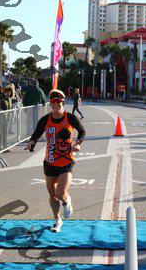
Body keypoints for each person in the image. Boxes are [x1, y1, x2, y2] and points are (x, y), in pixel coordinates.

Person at [26, 89, 86, 233]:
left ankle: (66, 200)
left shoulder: (70, 118)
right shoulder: (45, 119)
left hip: (66, 162)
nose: (55, 104)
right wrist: (32, 142)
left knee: (60, 194)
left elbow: (82, 131)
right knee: (52, 195)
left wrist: (78, 143)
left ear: (62, 102)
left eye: (58, 101)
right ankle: (57, 219)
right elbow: (36, 134)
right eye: (52, 101)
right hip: (50, 162)